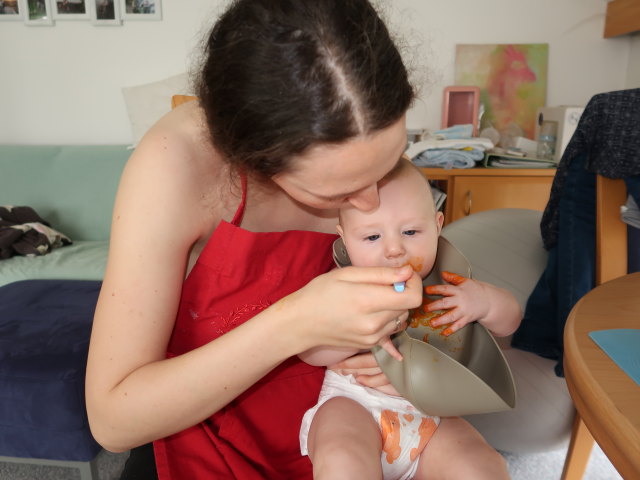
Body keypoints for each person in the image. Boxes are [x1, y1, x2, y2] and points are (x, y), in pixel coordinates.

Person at [84, 1, 516, 478]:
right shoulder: (175, 166)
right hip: (210, 438)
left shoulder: (363, 143)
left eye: (390, 161)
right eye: (339, 192)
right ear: (253, 157)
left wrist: (426, 365)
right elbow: (113, 421)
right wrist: (295, 324)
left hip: (368, 430)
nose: (373, 202)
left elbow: (477, 331)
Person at [298, 160, 521, 479]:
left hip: (434, 414)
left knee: (483, 467)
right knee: (341, 458)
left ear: (438, 224)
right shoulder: (344, 285)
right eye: (372, 237)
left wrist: (484, 301)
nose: (393, 250)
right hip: (355, 404)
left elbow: (510, 322)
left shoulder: (450, 282)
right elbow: (310, 352)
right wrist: (360, 332)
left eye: (411, 231)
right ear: (345, 239)